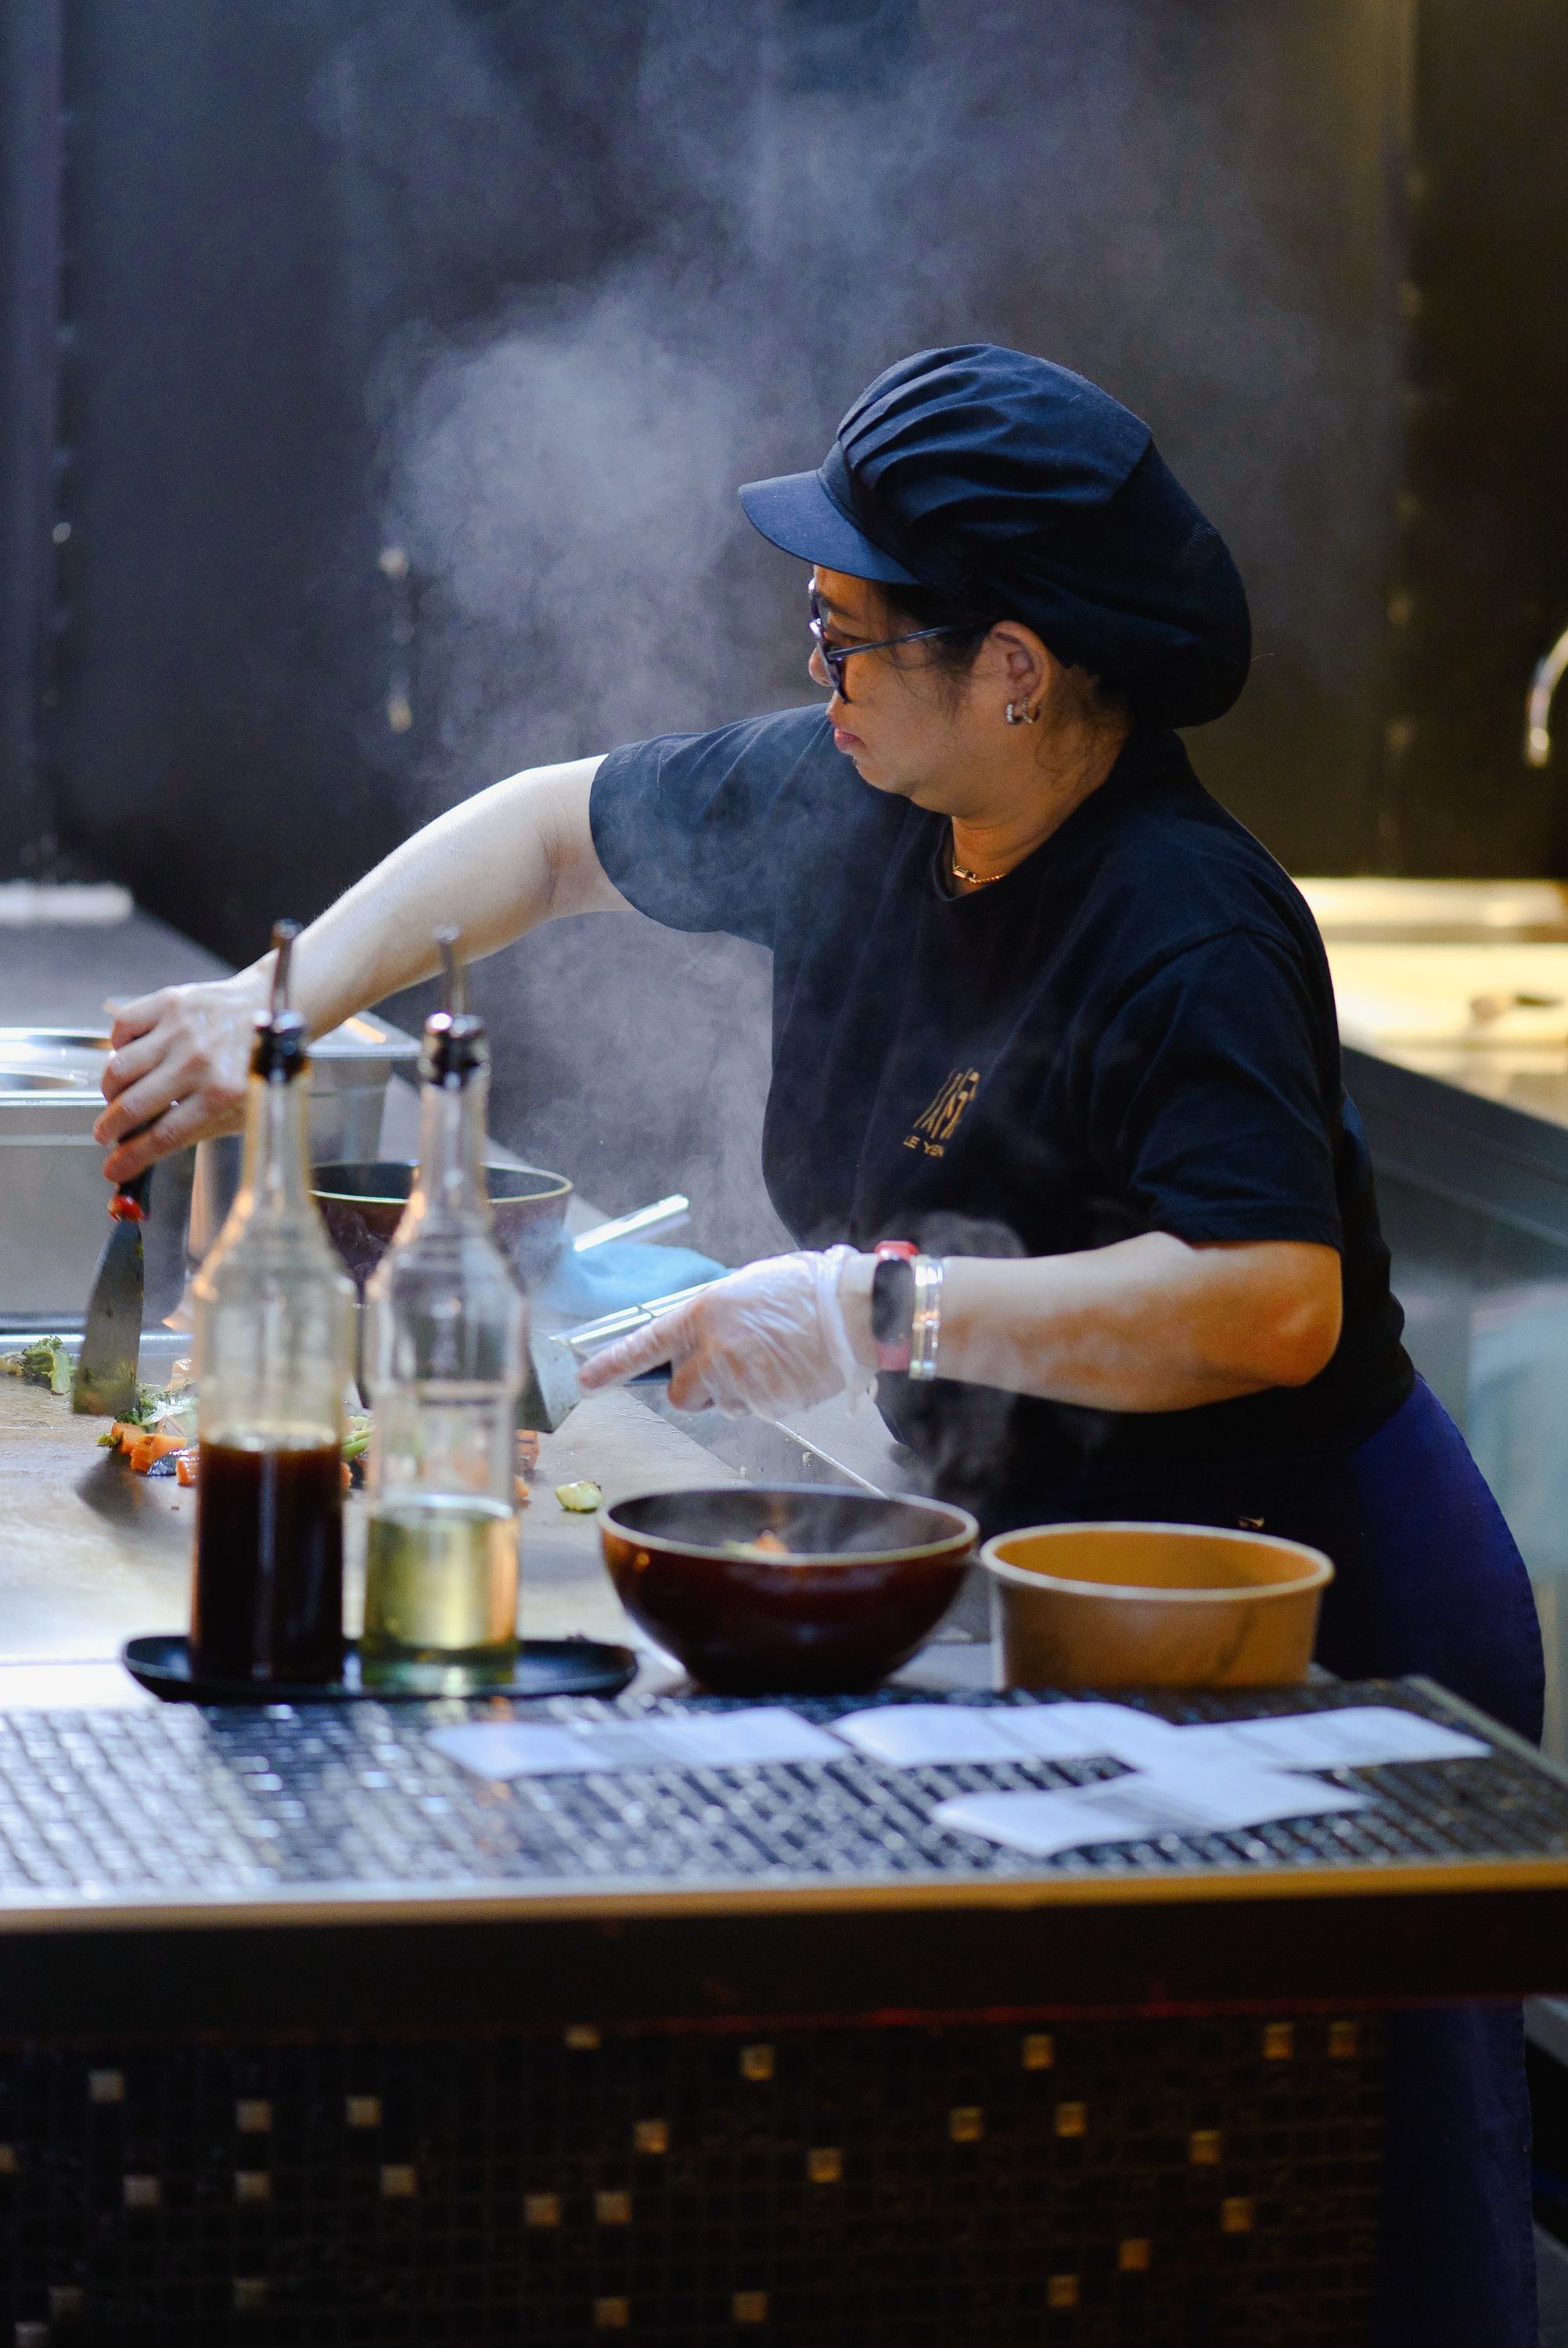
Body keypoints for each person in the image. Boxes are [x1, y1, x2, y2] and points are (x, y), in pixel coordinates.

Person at [97, 344, 1542, 2343]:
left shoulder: (1186, 920)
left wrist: (879, 1309)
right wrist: (278, 1008)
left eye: (856, 635)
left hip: (1300, 1596)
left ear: (1017, 669)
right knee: (1123, 2189)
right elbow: (547, 832)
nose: (821, 674)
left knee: (1358, 2211)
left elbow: (1270, 1304)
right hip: (1052, 1578)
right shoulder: (858, 799)